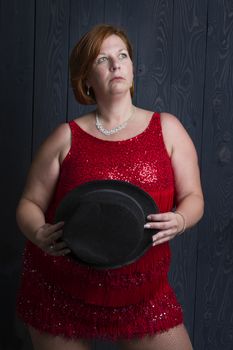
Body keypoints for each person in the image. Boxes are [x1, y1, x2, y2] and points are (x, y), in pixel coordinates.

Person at [16, 24, 204, 350]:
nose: (116, 64)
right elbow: (29, 202)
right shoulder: (65, 137)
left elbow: (193, 197)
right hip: (64, 290)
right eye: (103, 59)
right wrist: (38, 233)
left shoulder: (168, 129)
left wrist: (182, 219)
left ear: (132, 69)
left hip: (141, 294)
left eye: (123, 56)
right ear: (86, 79)